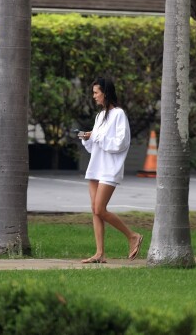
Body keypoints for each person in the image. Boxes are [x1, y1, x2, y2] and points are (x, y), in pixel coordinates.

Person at [79, 77, 143, 264]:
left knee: (100, 208)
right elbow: (94, 146)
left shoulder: (119, 114)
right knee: (95, 210)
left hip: (110, 168)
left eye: (96, 93)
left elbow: (121, 143)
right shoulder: (100, 116)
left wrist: (97, 137)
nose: (94, 96)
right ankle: (99, 254)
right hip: (96, 166)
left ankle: (132, 236)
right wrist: (87, 137)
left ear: (105, 93)